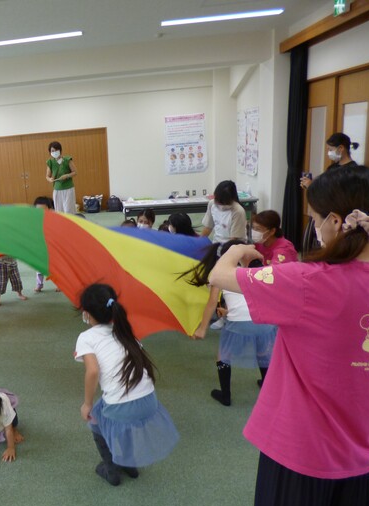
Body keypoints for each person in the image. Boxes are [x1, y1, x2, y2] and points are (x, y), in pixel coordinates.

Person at [208, 166, 369, 506]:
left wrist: (237, 249)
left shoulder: (307, 281)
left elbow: (219, 276)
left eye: (315, 219)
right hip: (363, 456)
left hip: (299, 453)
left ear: (335, 221)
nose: (314, 228)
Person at [75, 284, 179, 486]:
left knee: (95, 421)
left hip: (121, 407)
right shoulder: (124, 330)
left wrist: (86, 403)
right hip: (150, 403)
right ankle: (130, 463)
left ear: (86, 314)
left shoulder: (86, 337)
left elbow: (93, 371)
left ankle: (111, 469)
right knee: (109, 415)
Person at [184, 240, 276, 405]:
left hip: (238, 324)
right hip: (265, 323)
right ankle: (267, 387)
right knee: (263, 352)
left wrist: (202, 329)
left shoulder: (220, 275)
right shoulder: (260, 271)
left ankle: (225, 395)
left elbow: (212, 302)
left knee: (223, 357)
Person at [45, 141, 77, 214]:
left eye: (56, 150)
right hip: (57, 190)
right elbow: (47, 176)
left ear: (60, 150)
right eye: (52, 151)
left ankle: (69, 225)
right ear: (50, 152)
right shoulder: (50, 162)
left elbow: (75, 172)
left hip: (68, 189)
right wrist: (50, 179)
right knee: (59, 212)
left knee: (69, 212)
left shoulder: (67, 160)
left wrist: (67, 175)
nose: (55, 152)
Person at [34, 196, 55, 292]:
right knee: (39, 268)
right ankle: (39, 284)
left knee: (55, 269)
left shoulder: (53, 220)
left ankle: (59, 284)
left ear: (50, 210)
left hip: (52, 249)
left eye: (43, 210)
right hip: (40, 248)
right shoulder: (35, 221)